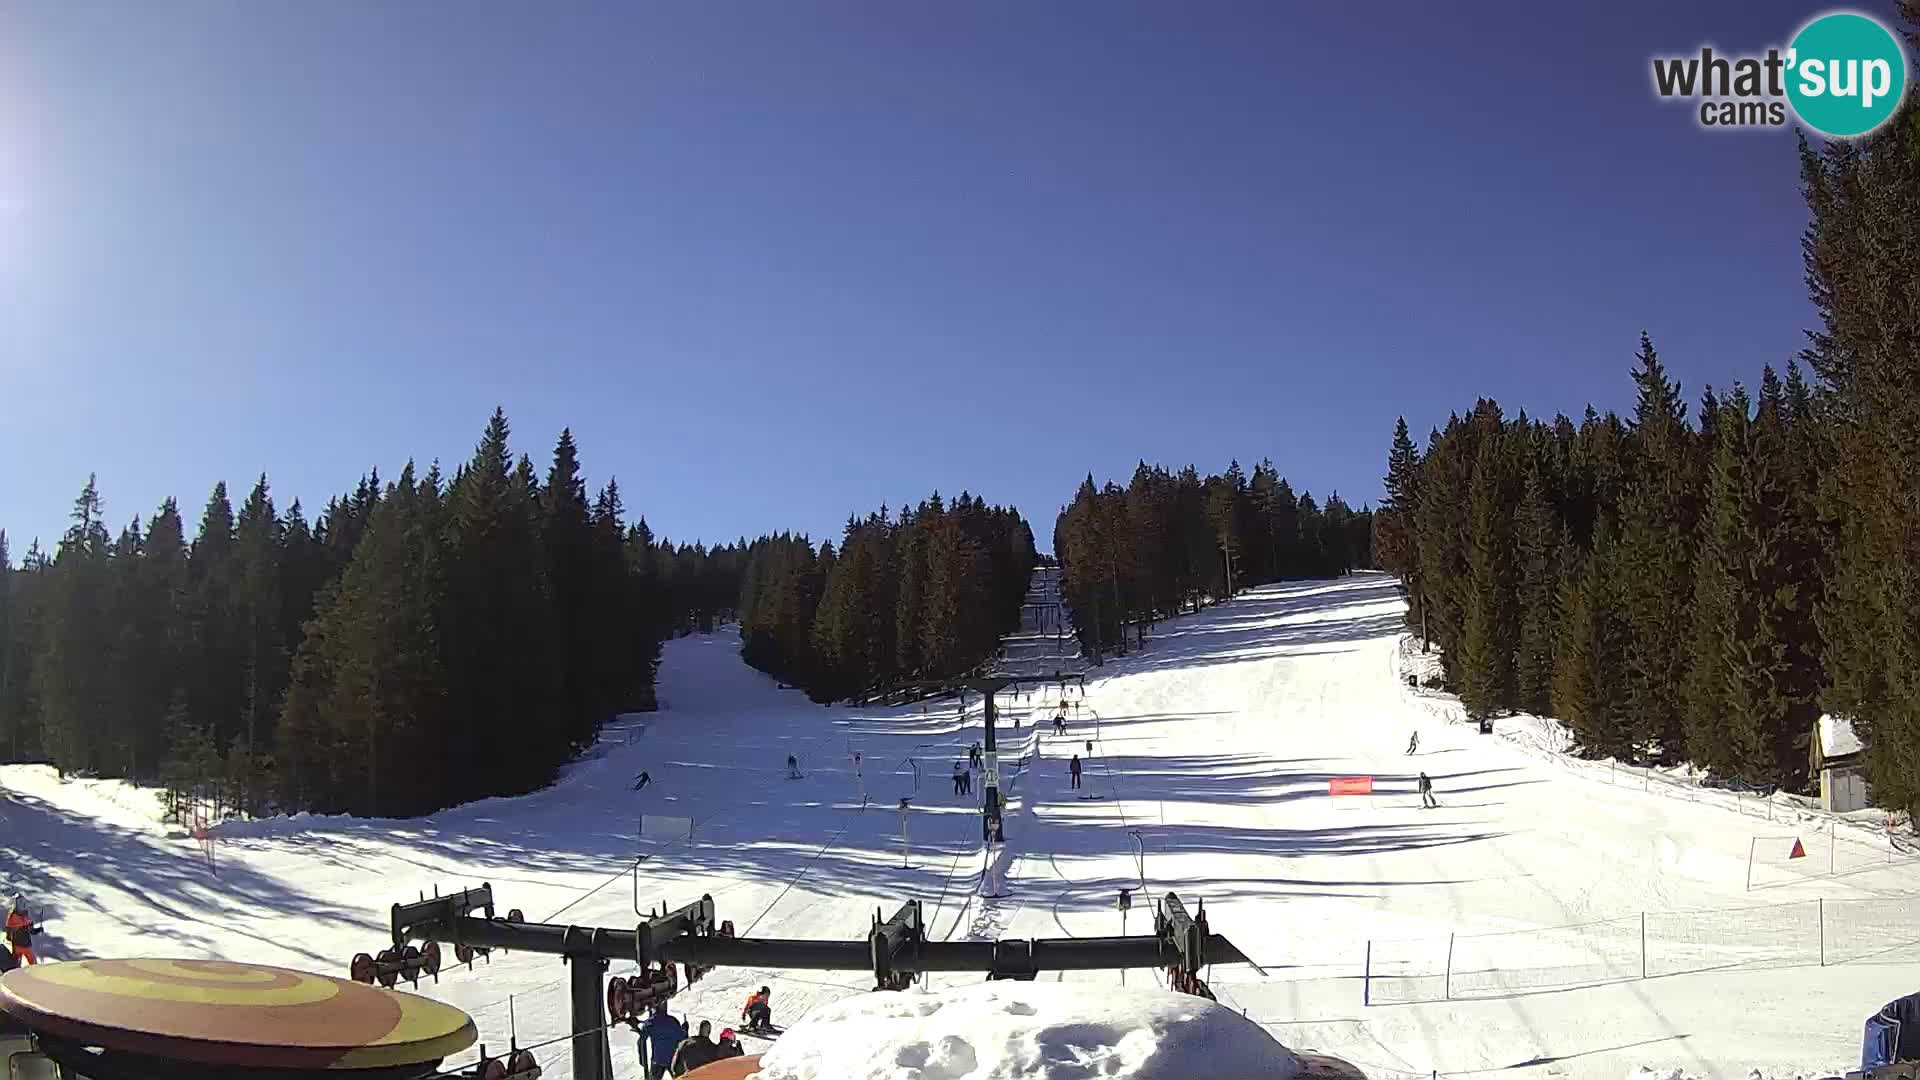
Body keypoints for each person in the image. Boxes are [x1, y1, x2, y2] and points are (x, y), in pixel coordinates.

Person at [636, 1004, 686, 1080]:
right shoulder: (673, 1021)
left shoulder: (650, 1022)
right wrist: (685, 1029)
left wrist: (642, 1060)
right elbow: (683, 1039)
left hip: (658, 1059)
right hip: (673, 1059)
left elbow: (641, 1040)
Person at [6, 897, 36, 967]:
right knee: (33, 965)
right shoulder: (25, 917)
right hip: (24, 946)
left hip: (18, 946)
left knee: (16, 966)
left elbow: (8, 936)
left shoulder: (11, 917)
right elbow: (32, 931)